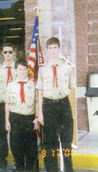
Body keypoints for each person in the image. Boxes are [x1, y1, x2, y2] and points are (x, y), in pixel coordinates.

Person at [36, 37, 75, 172]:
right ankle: (52, 169)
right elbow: (40, 92)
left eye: (55, 47)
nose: (53, 50)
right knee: (50, 142)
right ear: (47, 50)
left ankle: (69, 169)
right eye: (50, 48)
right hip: (48, 106)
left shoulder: (68, 67)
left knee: (66, 141)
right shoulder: (43, 69)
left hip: (63, 104)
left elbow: (72, 90)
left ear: (59, 49)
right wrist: (40, 113)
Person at [5, 59, 39, 171]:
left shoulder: (33, 85)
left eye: (24, 69)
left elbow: (37, 102)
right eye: (20, 69)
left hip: (29, 119)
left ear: (27, 70)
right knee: (16, 148)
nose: (22, 72)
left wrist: (37, 118)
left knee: (31, 149)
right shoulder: (10, 85)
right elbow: (8, 103)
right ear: (16, 70)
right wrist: (7, 121)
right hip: (15, 118)